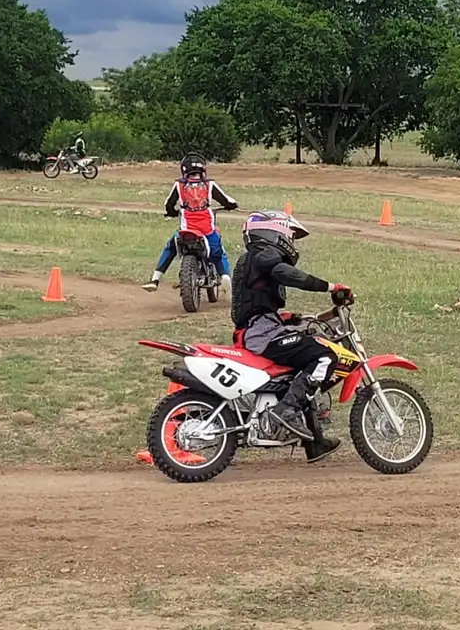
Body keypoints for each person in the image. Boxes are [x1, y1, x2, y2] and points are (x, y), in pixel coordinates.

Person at [229, 211, 350, 464]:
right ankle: (285, 412)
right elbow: (289, 275)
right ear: (275, 233)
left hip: (258, 330)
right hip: (262, 334)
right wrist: (330, 287)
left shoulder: (252, 260)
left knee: (302, 368)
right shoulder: (265, 256)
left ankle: (315, 443)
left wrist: (289, 318)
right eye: (290, 236)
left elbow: (253, 306)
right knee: (325, 356)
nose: (292, 242)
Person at [145, 155, 237, 291]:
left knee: (170, 248)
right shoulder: (209, 184)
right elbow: (227, 201)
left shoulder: (179, 185)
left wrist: (172, 212)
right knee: (218, 252)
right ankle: (225, 277)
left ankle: (155, 279)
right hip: (207, 230)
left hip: (187, 230)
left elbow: (168, 204)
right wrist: (232, 205)